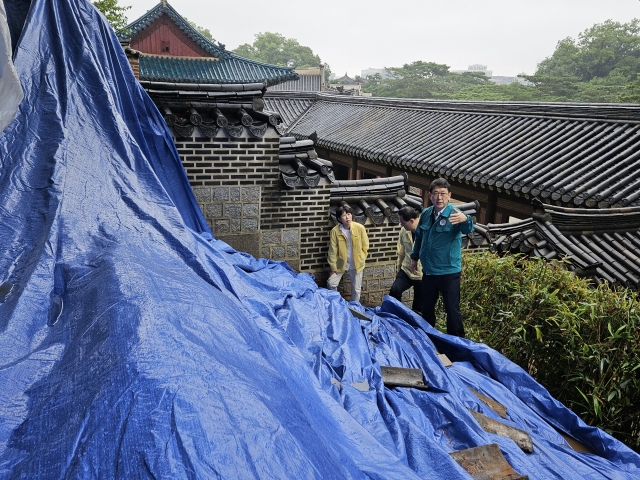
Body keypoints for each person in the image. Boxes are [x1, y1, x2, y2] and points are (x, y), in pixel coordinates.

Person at [410, 178, 473, 337]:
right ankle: (428, 339)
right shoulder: (425, 214)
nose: (439, 197)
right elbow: (419, 237)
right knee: (427, 309)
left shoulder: (456, 215)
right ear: (430, 196)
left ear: (449, 195)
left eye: (443, 194)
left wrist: (466, 219)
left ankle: (457, 345)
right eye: (436, 193)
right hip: (429, 272)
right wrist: (414, 257)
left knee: (452, 310)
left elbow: (468, 228)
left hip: (448, 272)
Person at [327, 205, 369, 303]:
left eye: (349, 214)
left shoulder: (360, 228)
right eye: (344, 215)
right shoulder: (335, 231)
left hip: (357, 262)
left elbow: (365, 245)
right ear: (339, 219)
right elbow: (332, 251)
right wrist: (333, 267)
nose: (347, 217)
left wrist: (362, 257)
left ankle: (355, 308)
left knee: (356, 289)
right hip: (341, 263)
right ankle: (336, 303)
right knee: (331, 283)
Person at [389, 206, 423, 313]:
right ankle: (395, 314)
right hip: (406, 270)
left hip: (422, 274)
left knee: (418, 306)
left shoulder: (425, 230)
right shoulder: (404, 231)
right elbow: (401, 252)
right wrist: (398, 269)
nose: (401, 225)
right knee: (395, 290)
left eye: (403, 222)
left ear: (412, 221)